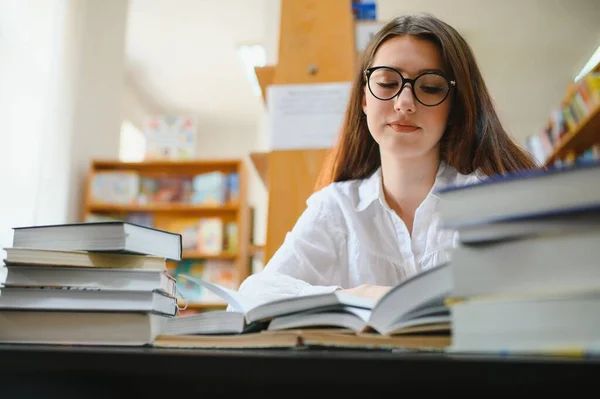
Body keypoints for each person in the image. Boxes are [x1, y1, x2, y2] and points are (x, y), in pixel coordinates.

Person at [237, 12, 536, 305]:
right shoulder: (338, 207)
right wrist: (354, 296)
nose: (404, 103)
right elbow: (252, 297)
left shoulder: (491, 199)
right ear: (364, 99)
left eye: (430, 87)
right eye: (387, 83)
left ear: (454, 106)